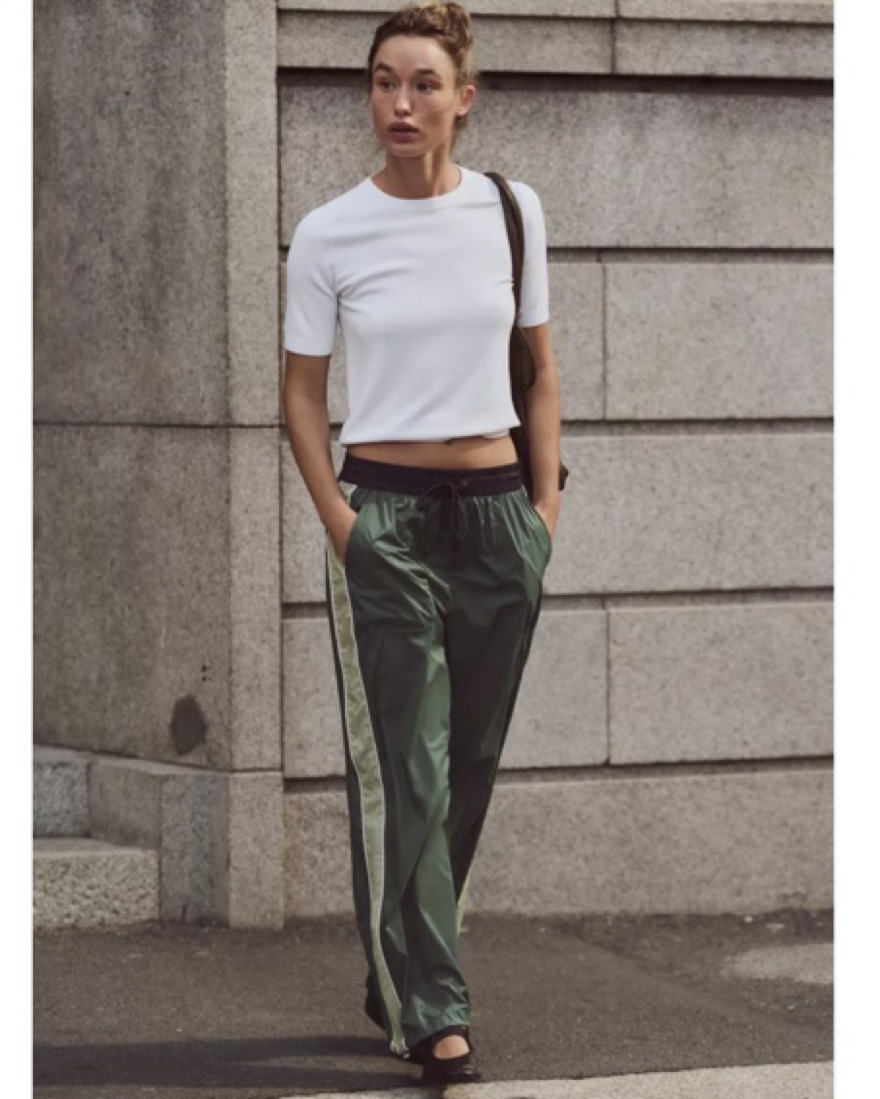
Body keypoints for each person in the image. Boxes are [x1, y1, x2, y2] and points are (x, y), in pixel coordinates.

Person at [281, 0, 561, 1084]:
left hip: (496, 516)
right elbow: (302, 395)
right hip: (385, 518)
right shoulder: (330, 231)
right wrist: (341, 523)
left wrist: (541, 516)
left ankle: (397, 961)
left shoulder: (512, 213)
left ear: (463, 98)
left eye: (423, 83)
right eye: (383, 82)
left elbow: (540, 372)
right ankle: (437, 1009)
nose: (400, 103)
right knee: (407, 769)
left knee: (467, 766)